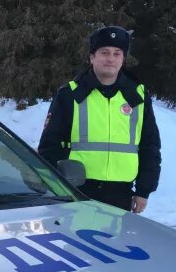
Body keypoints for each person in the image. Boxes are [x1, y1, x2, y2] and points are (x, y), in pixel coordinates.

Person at [38, 26, 161, 213]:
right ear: (92, 57)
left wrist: (144, 190)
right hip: (76, 192)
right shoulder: (71, 94)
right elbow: (49, 146)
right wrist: (59, 187)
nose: (110, 58)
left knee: (114, 243)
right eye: (104, 52)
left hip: (121, 194)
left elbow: (149, 146)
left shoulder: (138, 96)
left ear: (123, 59)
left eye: (116, 53)